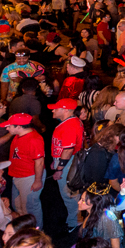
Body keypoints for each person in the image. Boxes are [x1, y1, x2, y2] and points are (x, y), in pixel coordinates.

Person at [48, 97, 85, 232]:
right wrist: (55, 159)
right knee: (71, 193)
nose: (53, 110)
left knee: (69, 194)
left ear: (65, 110)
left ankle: (75, 222)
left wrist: (59, 169)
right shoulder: (71, 122)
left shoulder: (69, 125)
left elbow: (68, 150)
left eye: (56, 108)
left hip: (68, 163)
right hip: (67, 161)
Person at [2, 112, 45, 229]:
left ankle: (36, 231)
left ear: (19, 127)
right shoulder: (18, 135)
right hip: (17, 176)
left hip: (28, 177)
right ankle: (23, 228)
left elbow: (39, 162)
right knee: (18, 206)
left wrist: (37, 181)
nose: (6, 128)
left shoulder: (34, 140)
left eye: (9, 126)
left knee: (30, 207)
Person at [78, 182, 124, 248]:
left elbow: (115, 242)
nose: (79, 202)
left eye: (82, 200)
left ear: (93, 203)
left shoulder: (106, 217)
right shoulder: (89, 213)